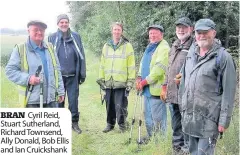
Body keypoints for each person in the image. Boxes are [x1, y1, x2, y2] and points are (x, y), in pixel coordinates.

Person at [178, 18, 236, 155]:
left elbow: (229, 92)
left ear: (214, 33)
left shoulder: (223, 57)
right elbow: (183, 81)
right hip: (190, 117)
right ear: (195, 34)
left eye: (206, 32)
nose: (202, 35)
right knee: (193, 152)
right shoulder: (191, 54)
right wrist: (182, 107)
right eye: (199, 32)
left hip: (209, 120)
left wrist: (223, 121)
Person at [5, 20, 65, 108]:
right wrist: (28, 79)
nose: (39, 32)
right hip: (32, 101)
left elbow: (57, 70)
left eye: (42, 30)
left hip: (52, 100)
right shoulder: (20, 49)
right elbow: (10, 71)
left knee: (52, 122)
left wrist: (60, 91)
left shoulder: (50, 47)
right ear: (28, 31)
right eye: (35, 30)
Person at [48, 14, 86, 134]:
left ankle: (74, 123)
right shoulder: (51, 38)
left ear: (69, 23)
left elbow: (82, 56)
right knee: (59, 101)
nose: (64, 24)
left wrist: (82, 73)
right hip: (58, 77)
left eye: (66, 22)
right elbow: (49, 58)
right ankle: (60, 125)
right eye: (61, 22)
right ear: (58, 24)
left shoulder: (76, 36)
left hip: (73, 76)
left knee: (73, 101)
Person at [160, 17, 193, 154]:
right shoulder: (174, 45)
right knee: (176, 124)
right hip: (172, 93)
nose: (181, 30)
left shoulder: (194, 46)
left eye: (184, 27)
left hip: (186, 94)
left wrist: (185, 78)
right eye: (178, 27)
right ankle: (176, 149)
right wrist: (164, 86)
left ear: (191, 29)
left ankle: (187, 150)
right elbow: (169, 68)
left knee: (187, 125)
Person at [97, 22, 136, 133]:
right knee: (109, 105)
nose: (116, 32)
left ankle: (122, 125)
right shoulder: (106, 46)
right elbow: (102, 64)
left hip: (121, 82)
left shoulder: (127, 46)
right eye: (115, 29)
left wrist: (130, 82)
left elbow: (131, 65)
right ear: (112, 31)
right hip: (108, 81)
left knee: (121, 105)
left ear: (121, 31)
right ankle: (110, 124)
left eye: (119, 29)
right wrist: (101, 79)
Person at [136, 25, 170, 141]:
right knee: (148, 116)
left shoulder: (164, 48)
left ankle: (160, 141)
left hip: (156, 90)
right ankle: (151, 137)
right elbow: (143, 63)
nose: (152, 35)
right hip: (147, 90)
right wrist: (139, 77)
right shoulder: (150, 46)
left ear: (161, 34)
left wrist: (144, 82)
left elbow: (158, 71)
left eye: (155, 33)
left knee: (158, 118)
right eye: (150, 33)